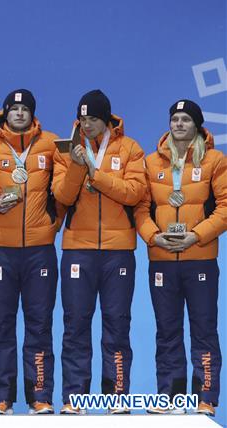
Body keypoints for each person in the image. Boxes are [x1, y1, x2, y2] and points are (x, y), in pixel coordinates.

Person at [52, 90, 146, 415]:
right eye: (82, 118)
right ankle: (74, 400)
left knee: (117, 325)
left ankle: (116, 398)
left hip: (119, 251)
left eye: (92, 118)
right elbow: (62, 196)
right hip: (78, 250)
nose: (87, 124)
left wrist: (96, 174)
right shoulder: (66, 150)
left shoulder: (130, 149)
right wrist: (77, 166)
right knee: (76, 324)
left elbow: (134, 193)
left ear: (106, 119)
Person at [0, 90, 62, 415]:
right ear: (5, 113)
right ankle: (1, 398)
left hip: (40, 251)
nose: (20, 114)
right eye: (15, 109)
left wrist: (52, 224)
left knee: (39, 325)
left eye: (25, 109)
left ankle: (40, 395)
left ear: (33, 114)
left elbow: (63, 191)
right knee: (1, 325)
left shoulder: (51, 144)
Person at [136, 99, 226, 416]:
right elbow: (140, 210)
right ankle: (172, 397)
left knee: (203, 329)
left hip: (199, 258)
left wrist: (196, 235)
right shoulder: (151, 163)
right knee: (167, 330)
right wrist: (153, 236)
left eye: (186, 119)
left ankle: (205, 398)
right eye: (174, 118)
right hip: (162, 260)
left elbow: (225, 208)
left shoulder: (215, 160)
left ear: (197, 125)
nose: (179, 124)